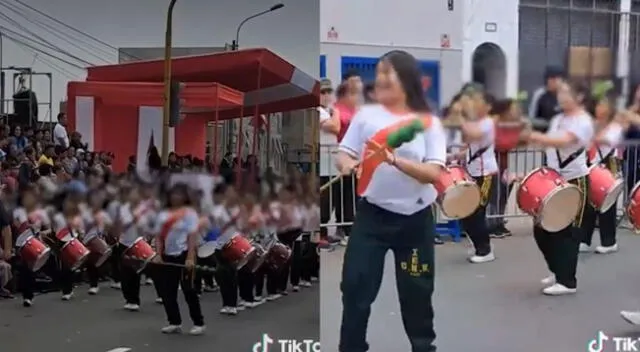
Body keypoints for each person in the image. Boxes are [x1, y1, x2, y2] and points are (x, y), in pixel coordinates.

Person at [335, 50, 446, 352]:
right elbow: (344, 153)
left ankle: (423, 347)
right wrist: (345, 164)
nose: (381, 79)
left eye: (389, 73)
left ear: (407, 79)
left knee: (416, 293)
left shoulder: (427, 123)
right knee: (356, 288)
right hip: (372, 218)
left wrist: (395, 161)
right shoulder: (366, 116)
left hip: (414, 222)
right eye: (379, 72)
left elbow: (433, 172)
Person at [525, 80, 594, 296]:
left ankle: (567, 281)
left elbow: (563, 141)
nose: (561, 97)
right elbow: (549, 143)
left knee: (568, 232)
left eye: (566, 93)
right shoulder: (558, 119)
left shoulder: (583, 121)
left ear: (579, 97)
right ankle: (557, 271)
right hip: (553, 181)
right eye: (561, 93)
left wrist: (535, 135)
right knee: (542, 229)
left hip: (574, 180)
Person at [154, 183, 205, 335]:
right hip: (168, 255)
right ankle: (174, 321)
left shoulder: (189, 213)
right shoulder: (163, 215)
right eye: (173, 194)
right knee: (167, 291)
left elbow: (192, 236)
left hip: (184, 254)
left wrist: (190, 257)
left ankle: (198, 322)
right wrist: (158, 254)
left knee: (188, 289)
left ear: (184, 197)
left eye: (179, 194)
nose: (176, 197)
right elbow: (158, 237)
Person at [459, 91, 499, 263]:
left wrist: (460, 115)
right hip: (473, 174)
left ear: (488, 106)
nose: (475, 104)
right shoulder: (477, 123)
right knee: (466, 212)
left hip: (486, 175)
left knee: (476, 212)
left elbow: (474, 135)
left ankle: (485, 250)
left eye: (478, 101)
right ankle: (478, 245)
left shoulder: (488, 122)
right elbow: (471, 144)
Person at [580, 94, 621, 254]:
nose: (600, 109)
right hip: (591, 166)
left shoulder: (614, 127)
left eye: (604, 106)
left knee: (607, 205)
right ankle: (585, 239)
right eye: (598, 105)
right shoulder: (591, 124)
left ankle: (609, 241)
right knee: (588, 205)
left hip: (607, 167)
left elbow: (607, 141)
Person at [528, 66, 564, 132]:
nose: (553, 82)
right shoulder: (539, 94)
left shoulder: (566, 93)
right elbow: (532, 116)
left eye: (556, 79)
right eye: (550, 79)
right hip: (543, 131)